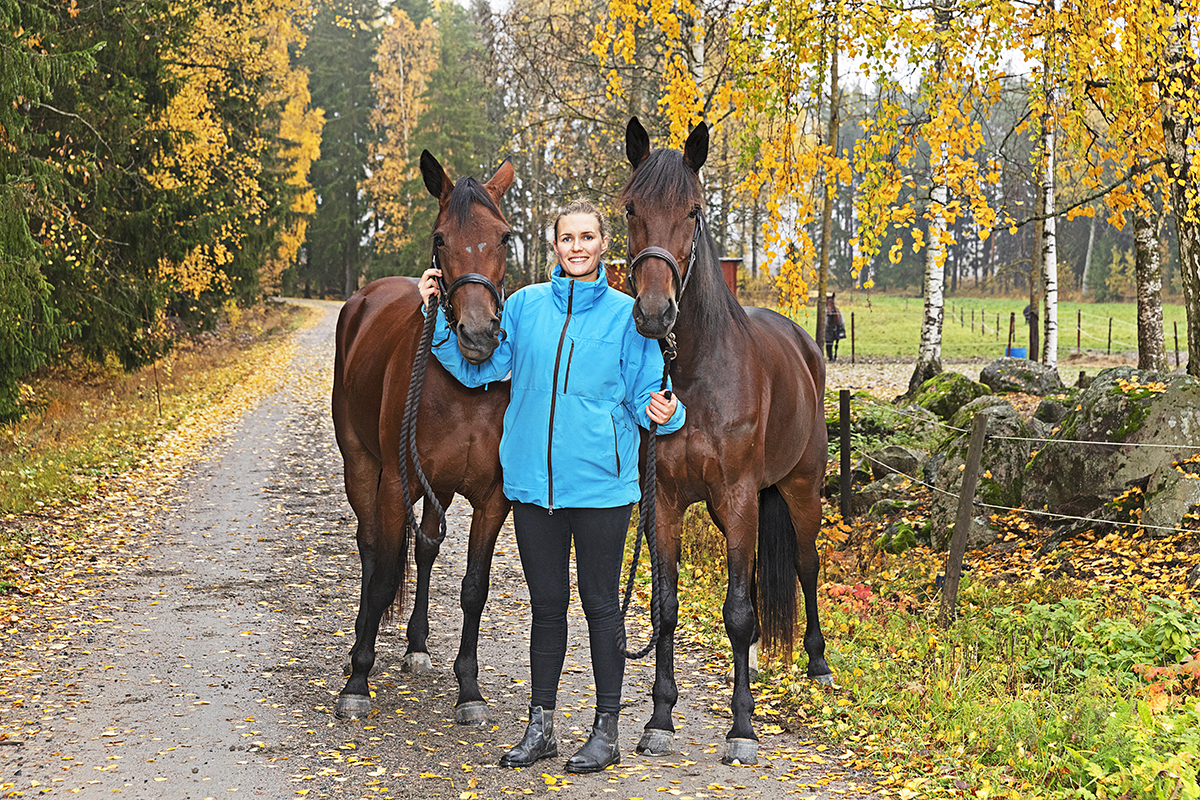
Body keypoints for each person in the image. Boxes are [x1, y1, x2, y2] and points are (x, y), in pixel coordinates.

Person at [417, 199, 685, 774]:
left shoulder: (626, 315)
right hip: (534, 489)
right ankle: (541, 726)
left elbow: (646, 395)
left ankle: (606, 729)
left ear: (604, 244)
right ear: (554, 246)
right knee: (545, 608)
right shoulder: (524, 307)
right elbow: (481, 370)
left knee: (601, 607)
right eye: (567, 238)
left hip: (602, 491)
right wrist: (436, 318)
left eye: (587, 237)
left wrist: (667, 411)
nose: (577, 247)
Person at [825, 294, 846, 361]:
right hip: (829, 325)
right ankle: (830, 355)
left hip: (837, 323)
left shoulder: (835, 308)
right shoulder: (827, 308)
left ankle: (841, 331)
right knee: (825, 319)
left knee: (841, 317)